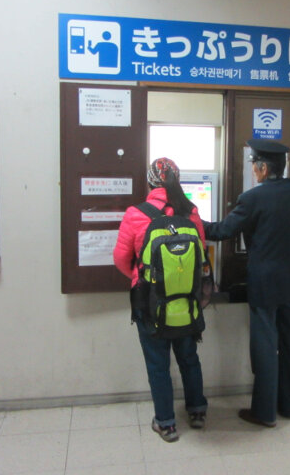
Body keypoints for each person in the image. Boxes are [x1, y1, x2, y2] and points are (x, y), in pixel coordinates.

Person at [203, 139, 290, 427]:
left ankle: (265, 413)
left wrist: (189, 217)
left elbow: (220, 231)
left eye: (254, 165)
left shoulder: (253, 198)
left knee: (265, 347)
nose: (254, 171)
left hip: (265, 285)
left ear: (263, 168)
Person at [113, 157, 208, 442]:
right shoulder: (190, 211)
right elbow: (201, 251)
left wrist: (138, 274)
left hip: (149, 301)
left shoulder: (135, 213)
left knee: (158, 363)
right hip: (187, 302)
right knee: (189, 358)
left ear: (151, 181)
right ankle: (198, 411)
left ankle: (166, 423)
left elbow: (120, 257)